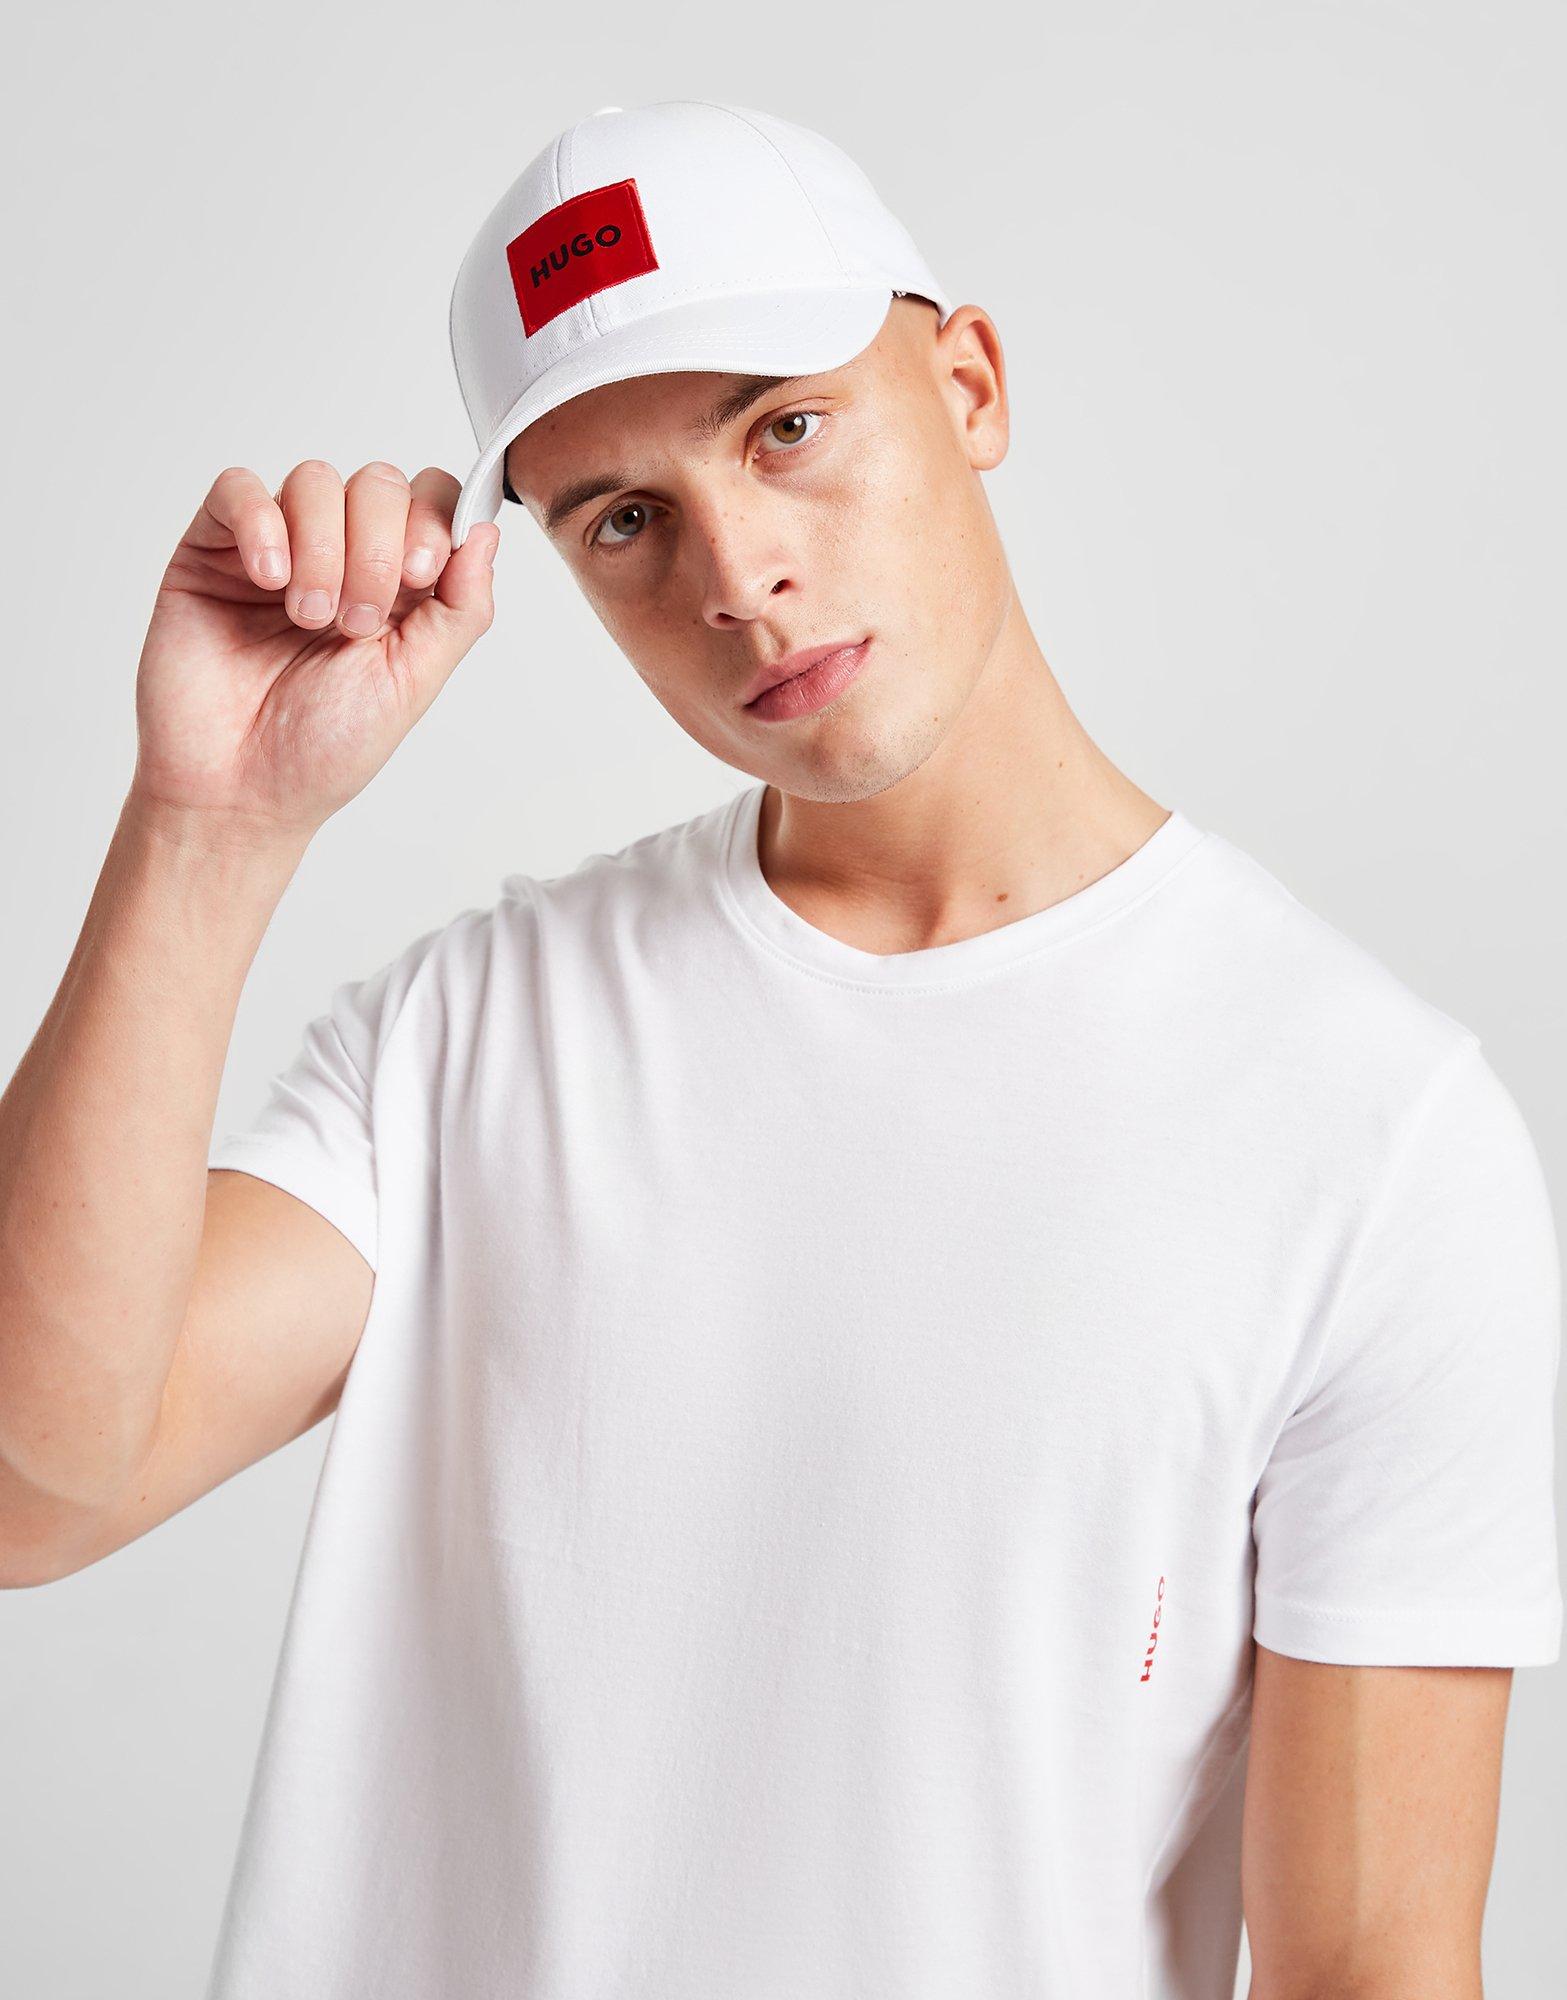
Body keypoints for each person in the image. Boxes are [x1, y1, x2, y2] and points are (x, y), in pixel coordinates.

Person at [0, 98, 1559, 2000]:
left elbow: (1371, 1969)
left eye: (786, 429)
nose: (735, 576)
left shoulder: (1371, 1135)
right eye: (625, 520)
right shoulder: (470, 1038)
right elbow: (31, 1487)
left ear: (969, 385)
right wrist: (209, 826)